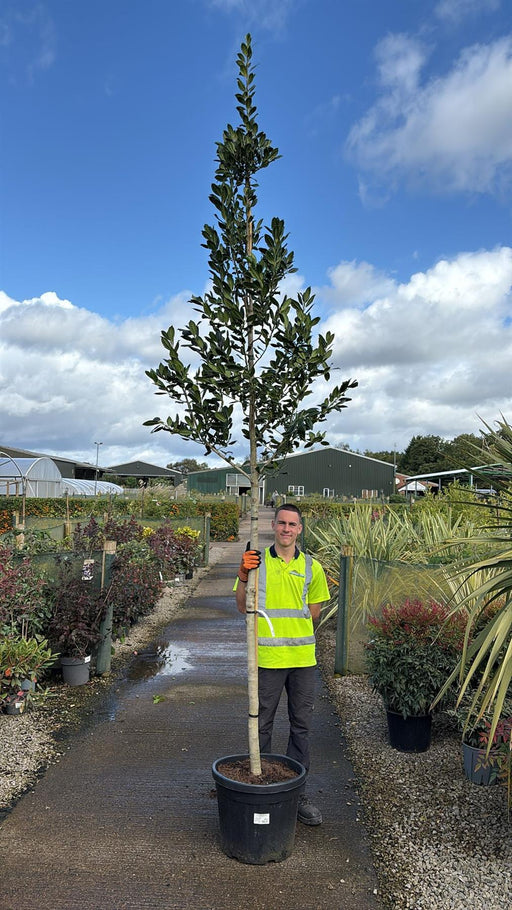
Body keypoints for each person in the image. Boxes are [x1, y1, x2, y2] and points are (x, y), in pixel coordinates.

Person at [235, 503, 329, 825]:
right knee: (262, 724)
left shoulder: (312, 567)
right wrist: (243, 574)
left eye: (292, 524)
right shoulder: (256, 562)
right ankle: (261, 787)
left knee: (301, 726)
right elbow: (241, 606)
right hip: (268, 659)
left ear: (300, 529)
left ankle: (296, 793)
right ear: (273, 526)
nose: (287, 529)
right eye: (282, 523)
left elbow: (314, 612)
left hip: (302, 660)